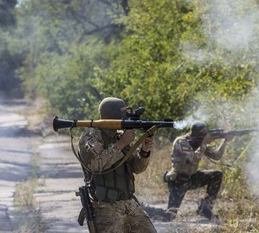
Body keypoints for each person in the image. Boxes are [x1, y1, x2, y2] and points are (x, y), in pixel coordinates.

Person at [77, 97, 157, 232]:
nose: (127, 115)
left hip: (128, 203)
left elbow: (137, 168)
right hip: (105, 207)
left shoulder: (120, 136)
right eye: (124, 112)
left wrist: (144, 151)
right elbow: (96, 165)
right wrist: (122, 144)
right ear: (114, 114)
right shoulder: (91, 136)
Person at [163, 121, 232, 221]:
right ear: (194, 132)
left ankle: (205, 208)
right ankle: (149, 211)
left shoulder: (200, 142)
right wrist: (204, 144)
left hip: (192, 178)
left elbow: (216, 156)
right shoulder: (181, 142)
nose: (204, 134)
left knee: (217, 175)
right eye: (202, 132)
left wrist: (225, 142)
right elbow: (190, 160)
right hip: (179, 180)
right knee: (170, 215)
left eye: (205, 132)